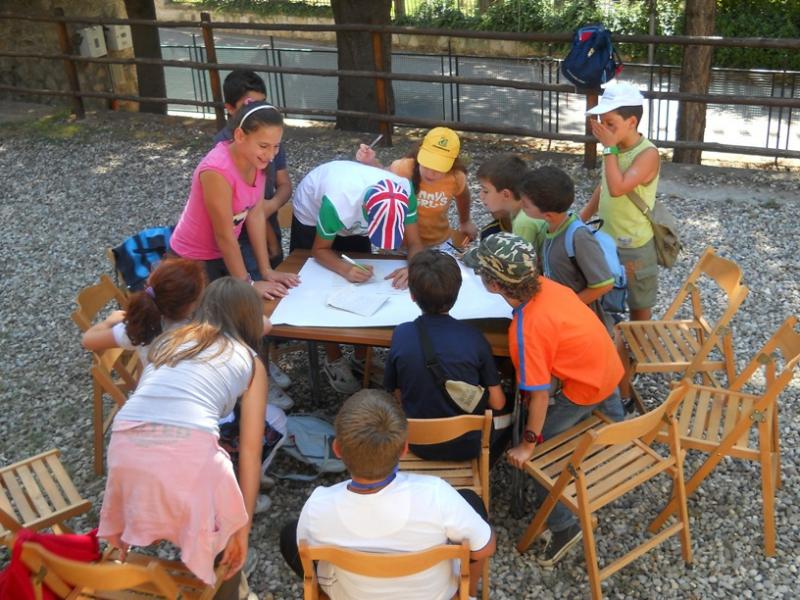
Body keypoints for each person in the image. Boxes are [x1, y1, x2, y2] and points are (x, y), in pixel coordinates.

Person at [97, 277, 267, 600]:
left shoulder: (169, 340)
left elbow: (152, 400)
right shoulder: (250, 361)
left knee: (177, 490)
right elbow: (250, 453)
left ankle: (142, 559)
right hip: (189, 448)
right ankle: (228, 587)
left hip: (125, 440)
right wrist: (241, 532)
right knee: (222, 526)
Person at [464, 233, 625, 568]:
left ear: (494, 285)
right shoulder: (551, 287)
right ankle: (617, 439)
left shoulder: (527, 330)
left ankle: (564, 527)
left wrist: (528, 444)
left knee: (540, 456)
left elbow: (537, 396)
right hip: (610, 370)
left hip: (585, 391)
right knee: (609, 422)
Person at [279, 389, 496, 600]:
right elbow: (484, 548)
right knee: (470, 501)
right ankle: (468, 595)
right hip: (436, 595)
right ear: (404, 449)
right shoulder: (436, 494)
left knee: (291, 535)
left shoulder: (319, 506)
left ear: (337, 449)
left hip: (349, 595)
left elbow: (305, 551)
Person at [290, 160, 424, 393]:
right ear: (365, 211)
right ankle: (334, 358)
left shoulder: (404, 192)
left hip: (351, 211)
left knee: (365, 285)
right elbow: (319, 250)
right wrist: (345, 269)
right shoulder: (337, 203)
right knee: (320, 284)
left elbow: (415, 243)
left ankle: (362, 355)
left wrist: (414, 267)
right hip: (313, 211)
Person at [578, 83, 661, 408]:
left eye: (610, 123)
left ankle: (633, 366)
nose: (604, 130)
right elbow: (604, 186)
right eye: (602, 123)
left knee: (638, 315)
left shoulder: (647, 154)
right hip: (606, 242)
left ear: (632, 122)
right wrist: (582, 218)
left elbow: (617, 187)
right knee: (610, 311)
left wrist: (609, 149)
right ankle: (617, 363)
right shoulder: (614, 149)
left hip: (634, 248)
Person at [384, 249, 507, 462]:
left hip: (419, 443)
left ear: (412, 295)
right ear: (457, 293)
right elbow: (497, 403)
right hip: (467, 446)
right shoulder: (474, 338)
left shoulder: (402, 334)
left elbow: (397, 394)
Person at [169, 101, 300, 301]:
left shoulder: (256, 160)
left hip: (223, 254)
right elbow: (224, 235)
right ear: (239, 136)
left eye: (276, 146)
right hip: (193, 260)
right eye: (263, 146)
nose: (271, 155)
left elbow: (255, 214)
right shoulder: (217, 170)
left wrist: (266, 270)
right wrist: (248, 284)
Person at [518, 165, 615, 332]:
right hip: (559, 318)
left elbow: (604, 284)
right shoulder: (549, 226)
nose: (521, 206)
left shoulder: (579, 237)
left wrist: (566, 306)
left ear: (548, 215)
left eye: (526, 205)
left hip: (580, 324)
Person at [213, 69, 292, 273]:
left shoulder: (269, 143)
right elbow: (245, 211)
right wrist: (270, 238)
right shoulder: (228, 152)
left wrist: (271, 206)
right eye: (249, 105)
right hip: (241, 238)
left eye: (262, 103)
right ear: (230, 109)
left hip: (265, 224)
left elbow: (284, 184)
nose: (270, 154)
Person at [356, 127, 478, 250]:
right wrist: (370, 162)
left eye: (439, 168)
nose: (430, 173)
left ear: (452, 163)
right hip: (400, 243)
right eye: (426, 165)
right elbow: (383, 176)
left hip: (437, 241)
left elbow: (463, 195)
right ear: (420, 153)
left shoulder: (456, 177)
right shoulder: (403, 167)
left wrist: (465, 221)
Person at [81, 258, 206, 366]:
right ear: (190, 306)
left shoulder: (144, 326)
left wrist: (109, 321)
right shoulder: (200, 328)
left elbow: (88, 340)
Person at [475, 153, 546, 248]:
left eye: (485, 191)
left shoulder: (524, 221)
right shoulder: (524, 212)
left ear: (506, 194)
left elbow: (523, 257)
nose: (481, 196)